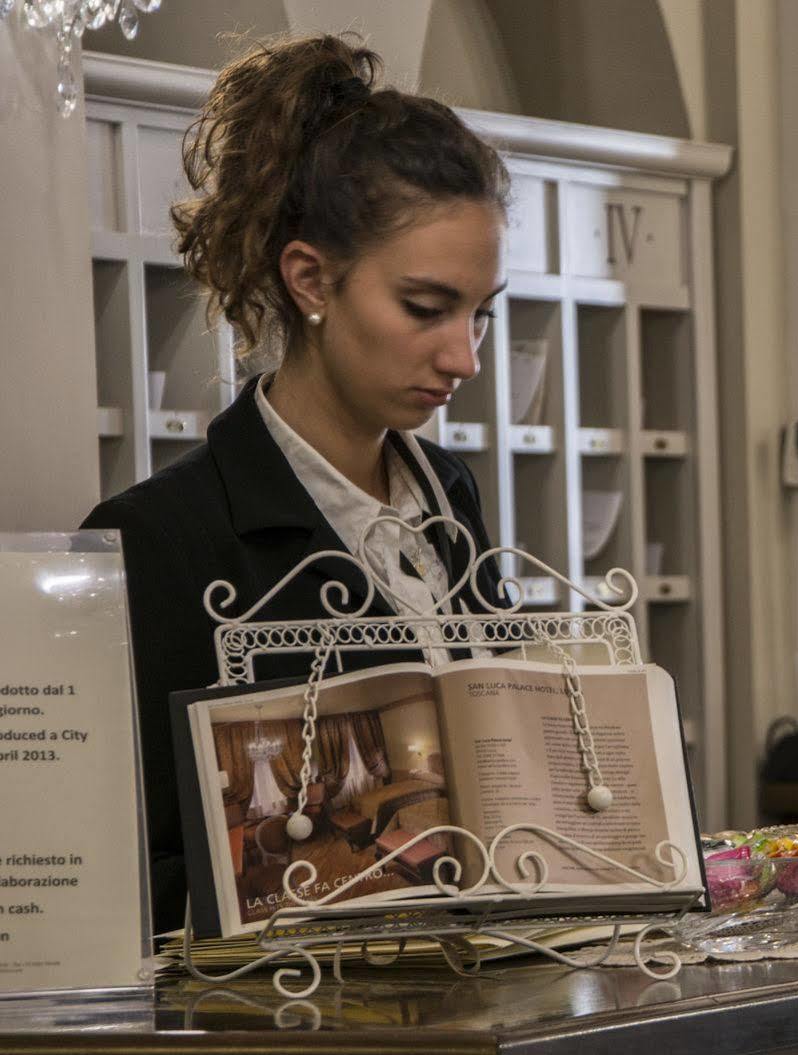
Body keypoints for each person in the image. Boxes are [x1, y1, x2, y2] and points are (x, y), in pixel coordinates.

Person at [80, 34, 512, 930]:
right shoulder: (158, 539)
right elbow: (111, 879)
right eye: (427, 309)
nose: (463, 356)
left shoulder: (449, 497)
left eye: (481, 314)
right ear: (310, 278)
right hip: (297, 1041)